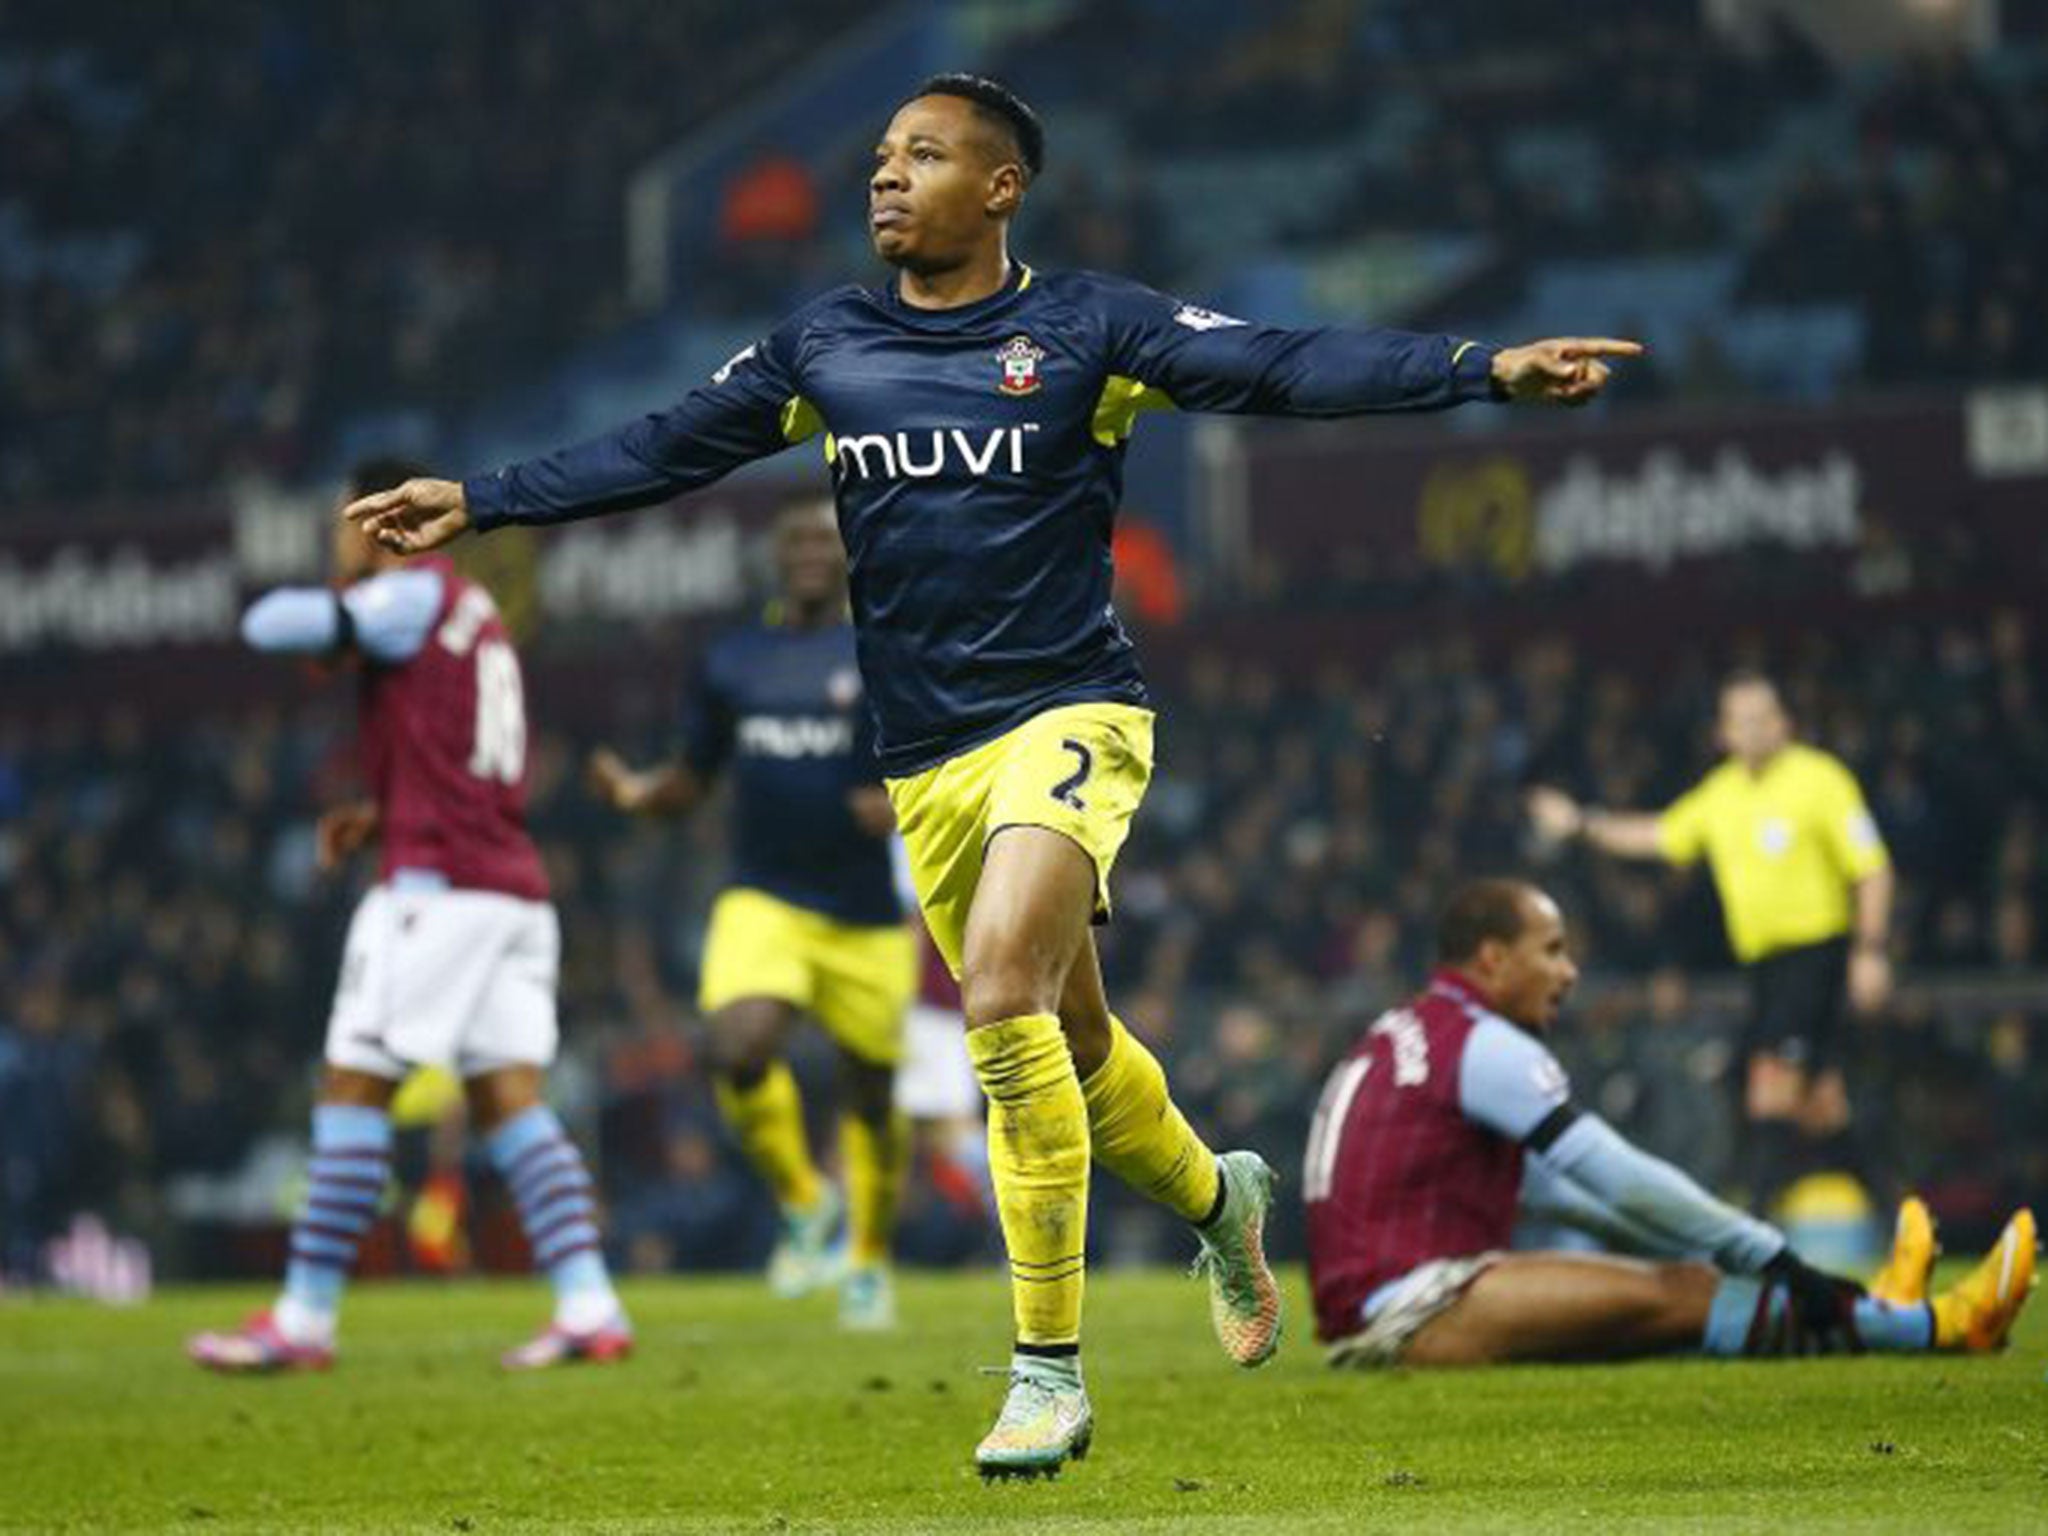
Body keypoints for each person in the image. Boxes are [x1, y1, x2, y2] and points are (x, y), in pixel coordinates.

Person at [346, 73, 1641, 1475]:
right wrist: (483, 498)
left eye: (925, 156)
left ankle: (1045, 1374)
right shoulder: (824, 346)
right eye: (884, 157)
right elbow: (661, 448)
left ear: (1002, 186)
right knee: (1073, 1050)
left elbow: (1278, 364)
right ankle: (1220, 1202)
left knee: (1005, 996)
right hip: (930, 759)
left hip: (1074, 714)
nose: (887, 178)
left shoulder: (1091, 328)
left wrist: (1480, 370)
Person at [189, 458, 631, 1374]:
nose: (332, 541)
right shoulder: (477, 619)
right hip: (510, 888)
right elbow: (460, 756)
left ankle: (304, 1320)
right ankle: (591, 1306)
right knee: (510, 1105)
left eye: (339, 525)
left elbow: (271, 623)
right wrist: (383, 810)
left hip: (438, 894)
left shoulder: (413, 595)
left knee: (355, 1088)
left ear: (373, 521)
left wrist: (347, 587)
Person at [1305, 878, 2035, 1368]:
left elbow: (1566, 1196)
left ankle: (1872, 1312)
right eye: (1552, 951)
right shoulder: (1481, 1045)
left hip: (1376, 1300)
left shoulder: (1411, 1032)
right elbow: (1611, 1177)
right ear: (1494, 960)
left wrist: (1736, 1255)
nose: (1569, 973)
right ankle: (1940, 1327)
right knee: (1678, 1299)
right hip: (1406, 1305)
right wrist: (1763, 1250)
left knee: (1679, 1297)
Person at [587, 497, 916, 1331]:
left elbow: (937, 763)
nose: (810, 551)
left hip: (865, 914)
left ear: (849, 554)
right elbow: (693, 775)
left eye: (824, 539)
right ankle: (806, 1203)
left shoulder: (884, 649)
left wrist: (901, 802)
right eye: (796, 538)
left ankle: (870, 1262)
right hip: (764, 895)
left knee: (870, 1095)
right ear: (776, 555)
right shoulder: (735, 660)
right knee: (735, 1042)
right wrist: (636, 791)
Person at [1527, 670, 1895, 1211]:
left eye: (1761, 716)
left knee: (1769, 1081)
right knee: (1820, 1102)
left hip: (1816, 954)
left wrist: (1871, 950)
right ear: (1723, 732)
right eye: (1739, 719)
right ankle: (1900, 1212)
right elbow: (1656, 835)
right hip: (1765, 966)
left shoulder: (1821, 779)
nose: (1751, 728)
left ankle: (1750, 1231)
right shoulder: (1722, 794)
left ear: (1784, 723)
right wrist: (1581, 822)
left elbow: (1873, 868)